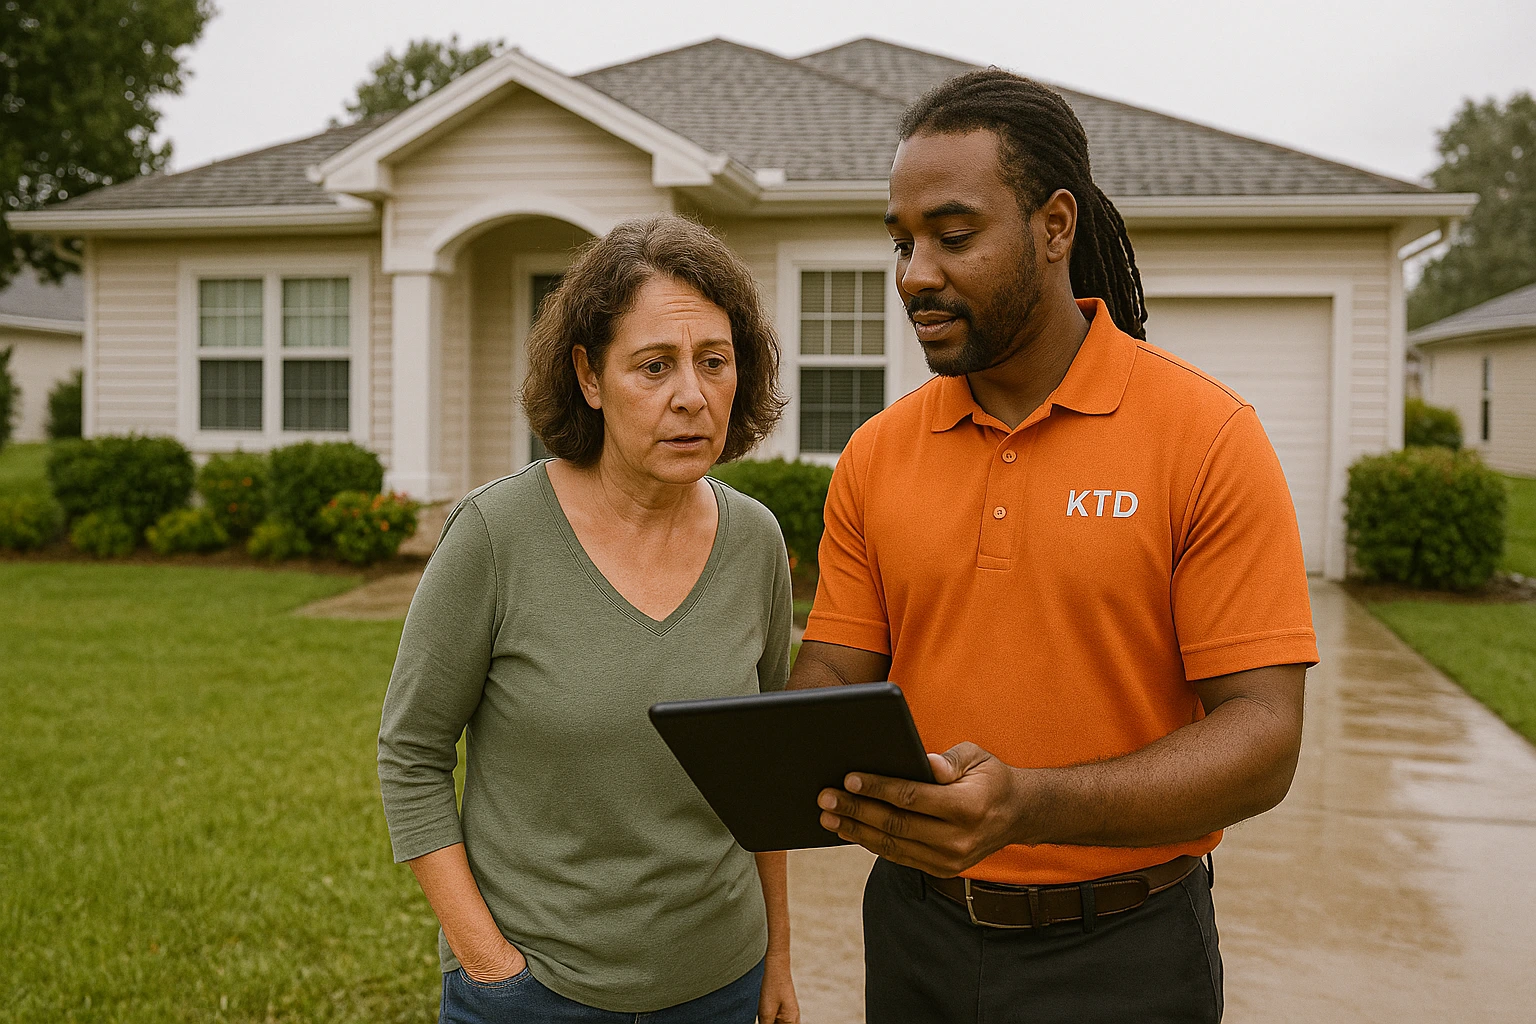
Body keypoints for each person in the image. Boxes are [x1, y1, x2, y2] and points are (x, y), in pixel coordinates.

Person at [791, 70, 1319, 1023]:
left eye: (952, 237)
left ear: (1055, 227)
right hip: (914, 936)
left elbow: (1263, 739)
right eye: (902, 243)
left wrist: (1028, 804)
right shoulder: (875, 454)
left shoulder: (1203, 435)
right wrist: (782, 746)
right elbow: (835, 664)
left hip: (1126, 950)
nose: (914, 272)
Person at [378, 214, 800, 1024]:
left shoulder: (754, 541)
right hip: (535, 992)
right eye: (654, 365)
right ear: (590, 377)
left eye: (714, 362)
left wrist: (777, 954)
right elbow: (411, 755)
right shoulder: (496, 536)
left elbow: (767, 772)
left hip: (724, 983)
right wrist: (490, 966)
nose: (692, 394)